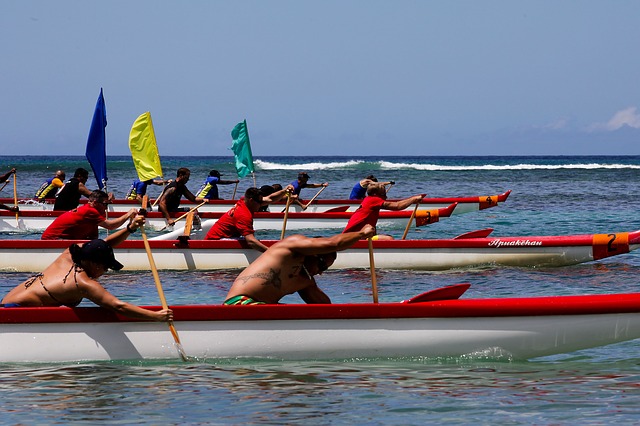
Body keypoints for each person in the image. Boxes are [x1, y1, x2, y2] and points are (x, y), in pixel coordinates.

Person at [1, 215, 173, 322]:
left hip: (6, 305)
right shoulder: (82, 282)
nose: (104, 273)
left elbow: (102, 245)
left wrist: (130, 228)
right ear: (95, 264)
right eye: (105, 268)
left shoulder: (71, 253)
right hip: (13, 313)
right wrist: (156, 316)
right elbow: (118, 306)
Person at [223, 224, 376, 305]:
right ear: (313, 253)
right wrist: (361, 234)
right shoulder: (291, 246)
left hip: (261, 309)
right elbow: (333, 243)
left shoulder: (305, 282)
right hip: (239, 304)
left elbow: (326, 308)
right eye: (322, 266)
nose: (320, 272)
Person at [205, 186, 293, 252]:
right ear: (251, 200)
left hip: (223, 236)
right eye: (259, 202)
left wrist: (284, 191)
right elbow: (251, 241)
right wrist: (270, 252)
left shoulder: (244, 201)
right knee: (251, 241)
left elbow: (270, 198)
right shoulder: (243, 215)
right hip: (216, 242)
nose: (262, 204)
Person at [42, 190, 138, 240]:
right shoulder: (89, 211)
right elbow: (111, 226)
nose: (106, 208)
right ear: (95, 203)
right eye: (105, 204)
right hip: (52, 241)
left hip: (59, 240)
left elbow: (93, 239)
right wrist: (128, 214)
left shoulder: (91, 214)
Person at [342, 184, 425, 240]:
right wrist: (413, 199)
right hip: (353, 239)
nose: (386, 196)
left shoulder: (368, 200)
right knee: (389, 239)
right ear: (375, 194)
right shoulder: (373, 200)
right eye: (383, 194)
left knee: (386, 236)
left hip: (352, 237)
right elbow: (397, 206)